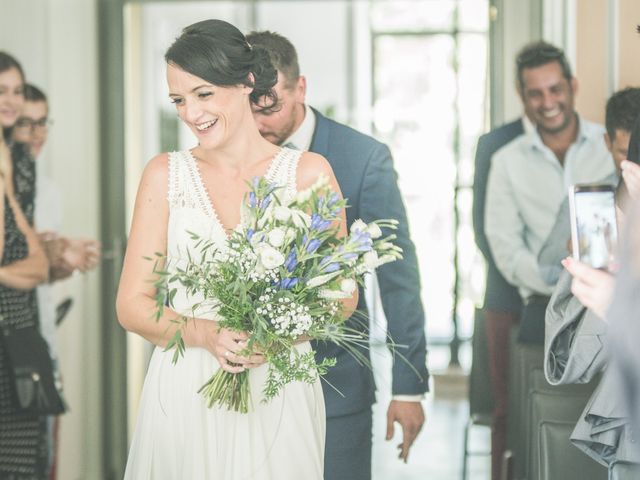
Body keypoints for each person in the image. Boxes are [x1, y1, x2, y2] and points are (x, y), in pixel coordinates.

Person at [116, 19, 358, 480]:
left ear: (247, 83)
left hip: (279, 387)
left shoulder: (310, 173)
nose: (190, 113)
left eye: (203, 94)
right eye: (179, 100)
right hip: (186, 388)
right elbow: (131, 306)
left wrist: (276, 334)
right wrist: (206, 334)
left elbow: (342, 298)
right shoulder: (163, 174)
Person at [247, 30, 428, 479]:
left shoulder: (363, 158)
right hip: (250, 384)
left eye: (268, 103)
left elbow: (398, 277)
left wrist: (408, 388)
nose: (257, 121)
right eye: (246, 105)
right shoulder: (232, 159)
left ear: (300, 88)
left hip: (338, 384)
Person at [485, 41, 614, 343]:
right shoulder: (506, 162)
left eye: (555, 89)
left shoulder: (610, 148)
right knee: (538, 391)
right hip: (542, 310)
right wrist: (557, 280)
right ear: (523, 97)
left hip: (610, 308)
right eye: (535, 94)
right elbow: (506, 248)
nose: (547, 102)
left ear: (573, 86)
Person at [11, 83, 101, 479]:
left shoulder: (47, 190)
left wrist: (64, 260)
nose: (37, 134)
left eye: (42, 122)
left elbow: (37, 274)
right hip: (8, 349)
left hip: (38, 344)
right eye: (26, 123)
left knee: (41, 461)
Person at [472, 97, 534, 480]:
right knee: (504, 408)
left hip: (574, 293)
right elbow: (483, 227)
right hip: (505, 295)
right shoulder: (496, 143)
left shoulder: (590, 144)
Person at [0, 51, 50, 479]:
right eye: (1, 90)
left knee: (26, 462)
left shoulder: (19, 162)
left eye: (16, 90)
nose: (11, 100)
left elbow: (38, 266)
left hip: (19, 330)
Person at [538, 87, 640, 285]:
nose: (632, 163)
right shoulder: (586, 200)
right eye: (624, 153)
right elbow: (546, 269)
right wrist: (576, 246)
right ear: (607, 142)